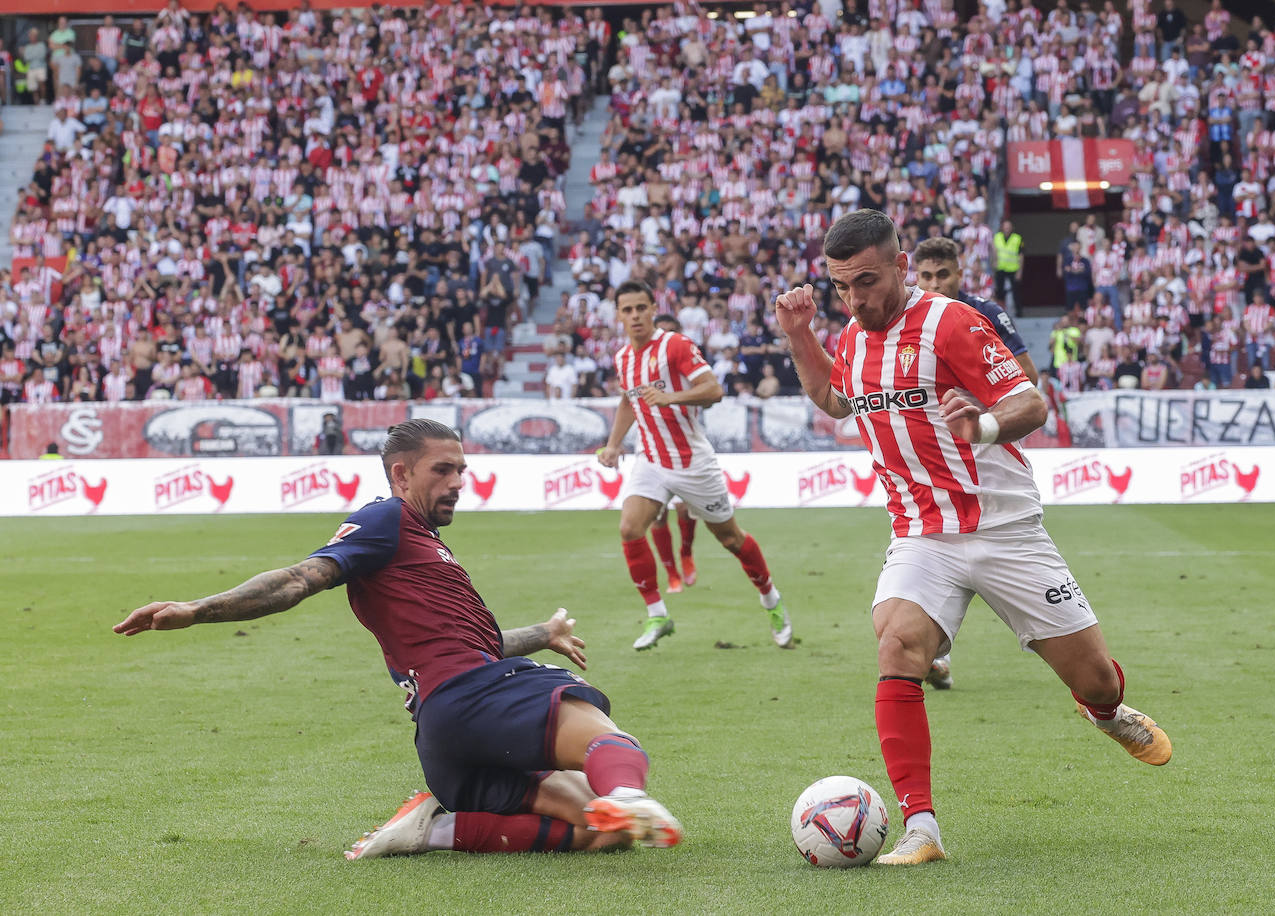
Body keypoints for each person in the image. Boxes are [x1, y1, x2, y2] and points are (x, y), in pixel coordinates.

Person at [774, 210, 1172, 867]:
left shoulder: (952, 323)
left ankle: (1107, 715)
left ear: (901, 268)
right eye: (843, 287)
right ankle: (921, 829)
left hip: (1005, 527)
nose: (856, 298)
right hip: (921, 533)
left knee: (1096, 680)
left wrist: (984, 428)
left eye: (867, 281)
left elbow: (1030, 401)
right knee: (897, 641)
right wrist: (799, 336)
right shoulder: (851, 337)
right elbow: (836, 400)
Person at [113, 420, 682, 858]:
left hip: (447, 733)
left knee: (605, 834)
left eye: (461, 469)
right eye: (442, 470)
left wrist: (543, 633)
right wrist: (196, 609)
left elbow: (468, 645)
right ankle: (629, 793)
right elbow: (296, 580)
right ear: (401, 475)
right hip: (470, 699)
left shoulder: (420, 546)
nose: (458, 481)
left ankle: (438, 829)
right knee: (605, 741)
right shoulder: (385, 520)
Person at [598, 280, 792, 651]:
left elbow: (714, 390)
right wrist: (613, 444)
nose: (635, 315)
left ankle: (771, 599)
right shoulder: (623, 358)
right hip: (650, 458)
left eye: (641, 307)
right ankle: (658, 613)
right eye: (627, 310)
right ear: (618, 315)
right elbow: (629, 401)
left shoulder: (675, 345)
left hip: (692, 462)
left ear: (654, 308)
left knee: (731, 539)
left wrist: (672, 397)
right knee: (629, 527)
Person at [910, 236, 1040, 690]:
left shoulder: (984, 313)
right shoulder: (904, 321)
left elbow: (1029, 380)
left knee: (992, 561)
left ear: (960, 272)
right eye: (926, 276)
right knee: (928, 567)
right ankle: (933, 655)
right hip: (928, 469)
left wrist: (977, 404)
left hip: (987, 465)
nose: (935, 284)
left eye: (943, 274)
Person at [647, 315, 700, 595]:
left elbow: (711, 393)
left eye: (672, 333)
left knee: (684, 509)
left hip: (684, 445)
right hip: (651, 448)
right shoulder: (642, 367)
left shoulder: (689, 365)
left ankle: (686, 554)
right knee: (656, 515)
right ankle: (671, 575)